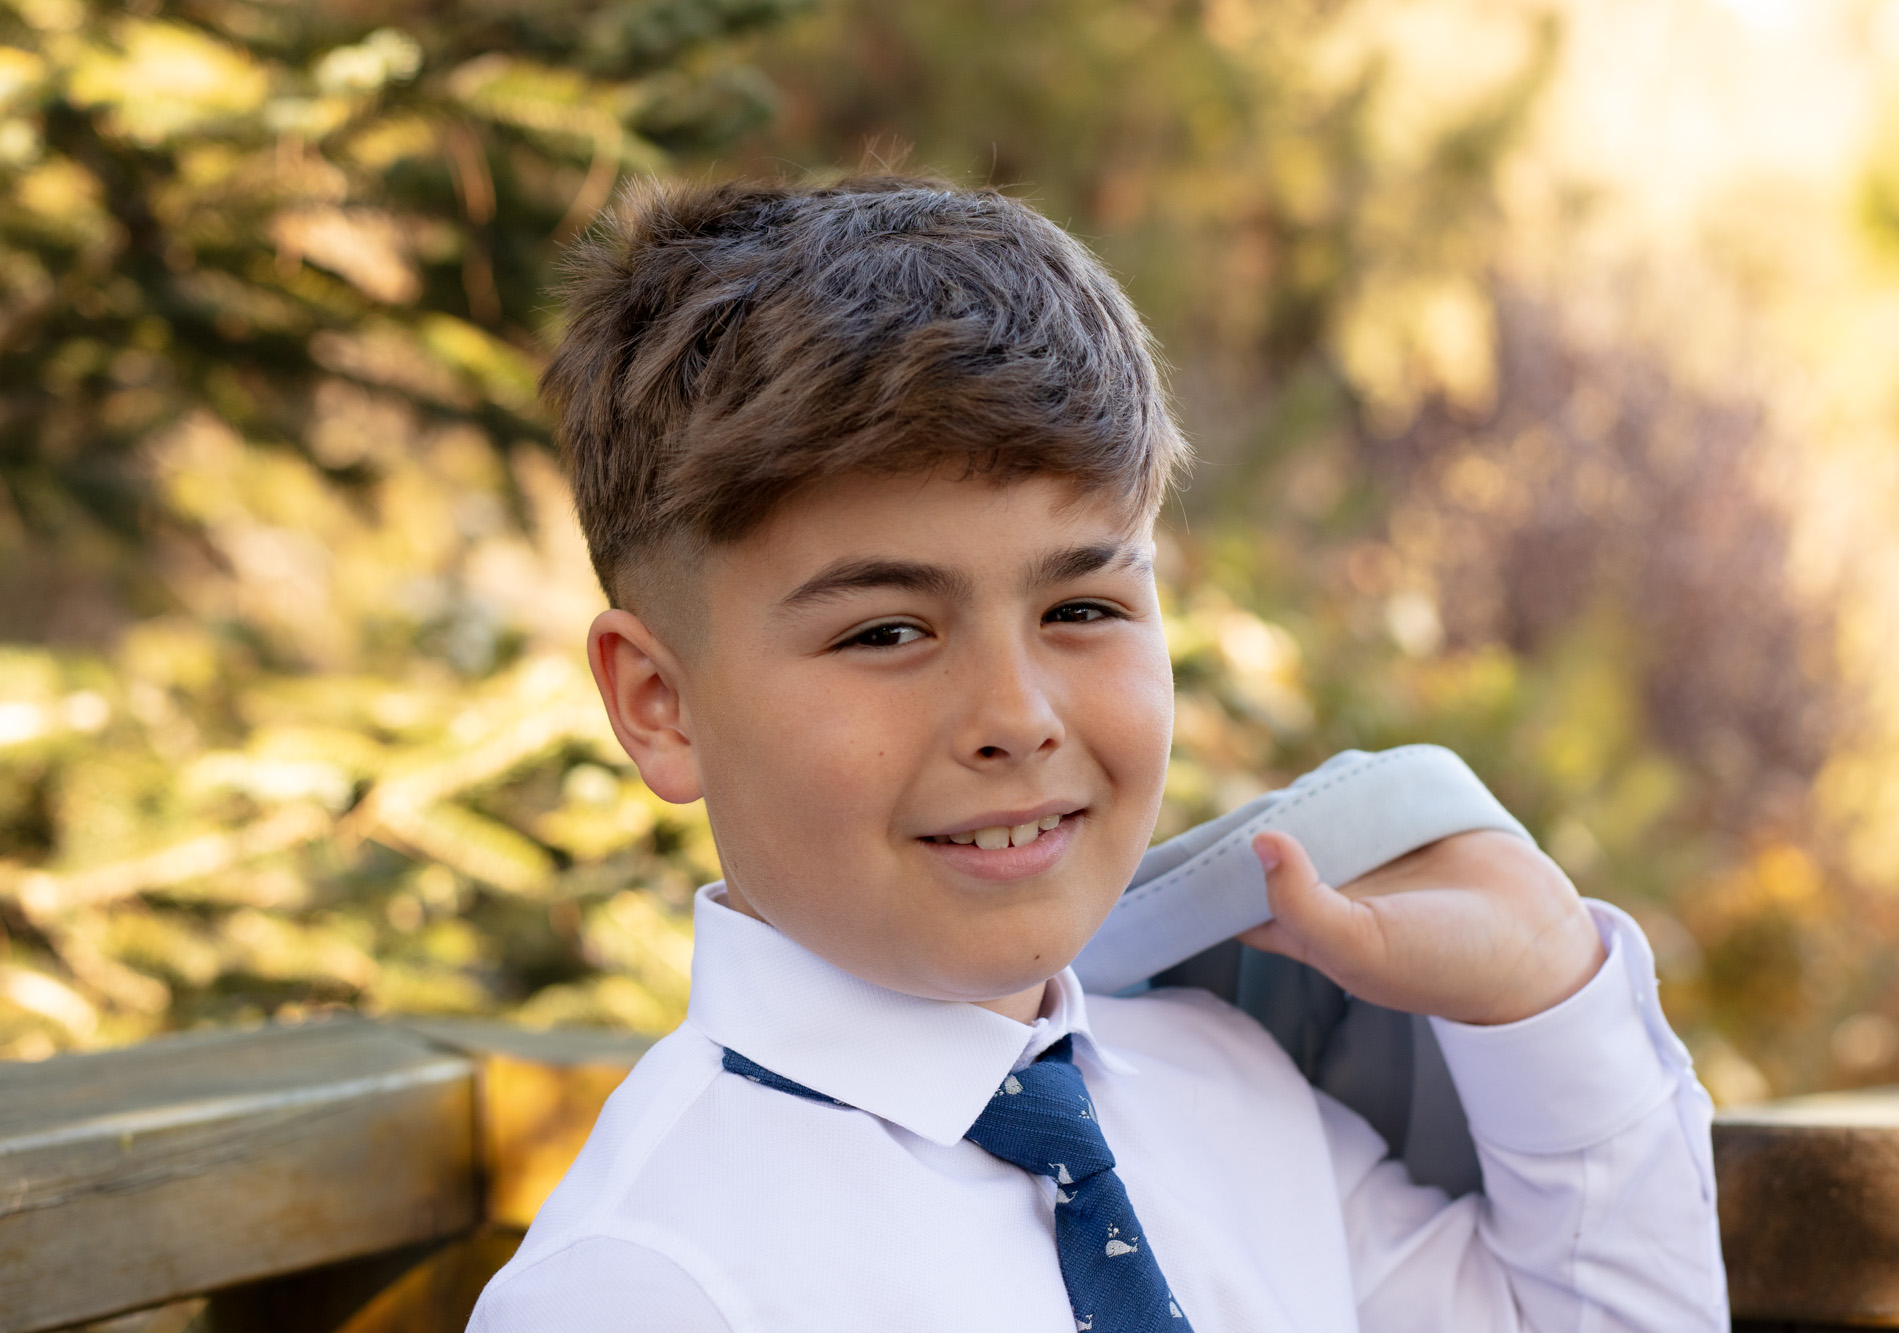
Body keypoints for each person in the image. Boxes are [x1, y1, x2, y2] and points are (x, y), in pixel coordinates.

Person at [469, 175, 1726, 1332]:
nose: (1016, 715)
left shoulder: (1232, 1100)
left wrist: (1544, 994)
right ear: (658, 704)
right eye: (886, 629)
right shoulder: (641, 1285)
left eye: (1081, 609)